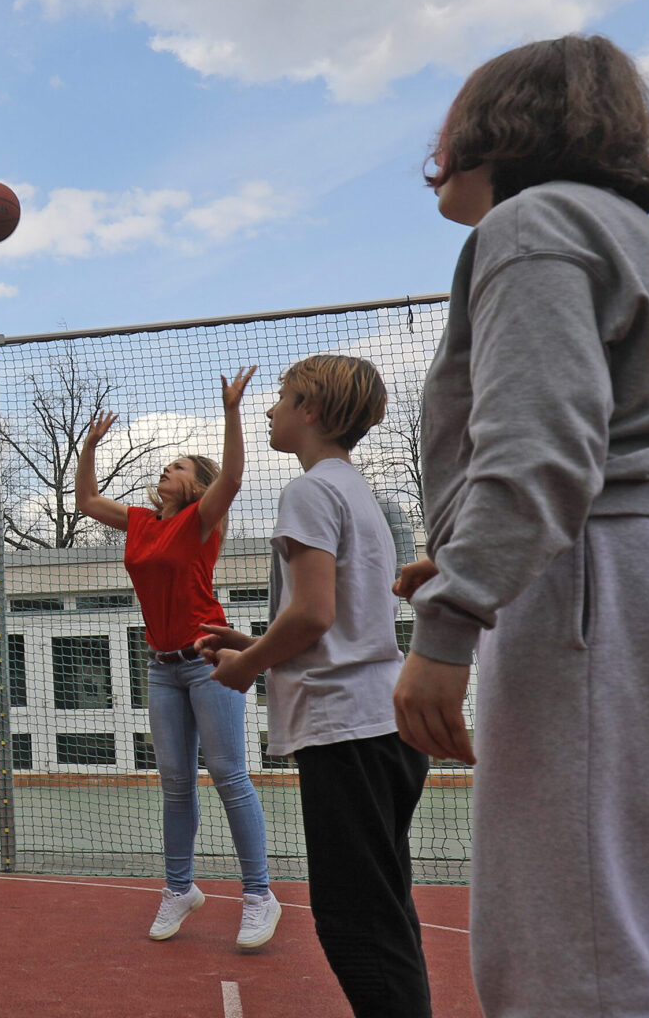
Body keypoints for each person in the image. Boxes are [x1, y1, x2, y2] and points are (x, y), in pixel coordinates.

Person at [392, 34, 649, 1017]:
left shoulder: (529, 223)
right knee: (624, 934)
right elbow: (613, 442)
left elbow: (542, 447)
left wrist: (450, 617)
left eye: (453, 114)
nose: (434, 140)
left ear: (503, 123)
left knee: (568, 971)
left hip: (603, 593)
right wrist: (464, 555)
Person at [201, 356, 433, 1017]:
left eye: (282, 399)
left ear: (312, 412)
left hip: (347, 729)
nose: (271, 410)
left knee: (354, 919)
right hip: (379, 725)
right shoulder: (359, 494)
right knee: (383, 911)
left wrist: (245, 670)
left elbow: (311, 615)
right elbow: (343, 627)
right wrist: (251, 646)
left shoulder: (308, 492)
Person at [75, 370, 278, 951]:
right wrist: (89, 448)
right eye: (167, 466)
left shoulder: (201, 521)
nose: (166, 470)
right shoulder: (141, 522)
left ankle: (259, 895)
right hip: (161, 667)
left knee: (229, 777)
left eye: (179, 467)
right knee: (174, 784)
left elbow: (234, 476)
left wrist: (232, 411)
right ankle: (180, 888)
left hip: (207, 658)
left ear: (194, 488)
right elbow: (88, 500)